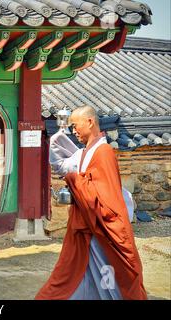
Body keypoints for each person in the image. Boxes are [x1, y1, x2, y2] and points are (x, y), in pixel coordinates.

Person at [35, 105, 147, 300]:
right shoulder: (84, 152)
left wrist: (75, 181)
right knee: (74, 275)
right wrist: (56, 141)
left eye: (76, 125)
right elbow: (61, 166)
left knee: (110, 275)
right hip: (86, 226)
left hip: (102, 229)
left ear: (90, 122)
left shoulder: (103, 152)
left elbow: (105, 196)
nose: (74, 130)